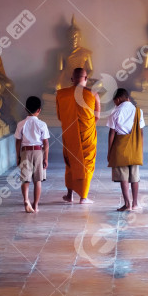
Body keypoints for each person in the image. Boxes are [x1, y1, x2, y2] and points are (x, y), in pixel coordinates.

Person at [56, 67, 100, 204]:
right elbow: (96, 117)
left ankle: (69, 195)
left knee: (70, 162)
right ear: (86, 79)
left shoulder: (61, 94)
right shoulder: (93, 94)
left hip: (69, 133)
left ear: (71, 79)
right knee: (86, 162)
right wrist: (86, 125)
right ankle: (83, 197)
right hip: (87, 133)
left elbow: (59, 116)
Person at [107, 88, 145, 211]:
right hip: (135, 146)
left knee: (123, 177)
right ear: (127, 98)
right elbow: (141, 132)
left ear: (117, 99)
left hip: (120, 147)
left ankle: (127, 204)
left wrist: (109, 151)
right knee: (135, 177)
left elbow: (112, 133)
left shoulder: (115, 112)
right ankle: (135, 203)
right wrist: (139, 148)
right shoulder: (138, 111)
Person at [15, 96, 50, 213]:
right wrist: (46, 158)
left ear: (25, 109)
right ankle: (36, 206)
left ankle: (26, 200)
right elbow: (46, 143)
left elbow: (18, 141)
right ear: (39, 110)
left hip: (25, 151)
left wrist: (18, 155)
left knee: (25, 179)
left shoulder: (21, 124)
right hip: (38, 151)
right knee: (37, 180)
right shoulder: (42, 124)